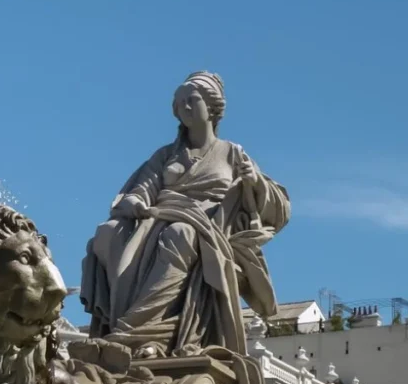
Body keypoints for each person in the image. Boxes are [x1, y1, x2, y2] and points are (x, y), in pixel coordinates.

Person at [80, 71, 290, 356]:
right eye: (179, 103)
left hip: (208, 225)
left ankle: (137, 332)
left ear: (213, 107)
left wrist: (254, 181)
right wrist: (135, 202)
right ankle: (125, 323)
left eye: (192, 100)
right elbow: (142, 188)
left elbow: (279, 209)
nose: (185, 107)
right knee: (108, 233)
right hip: (159, 216)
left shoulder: (231, 153)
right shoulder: (166, 155)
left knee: (180, 233)